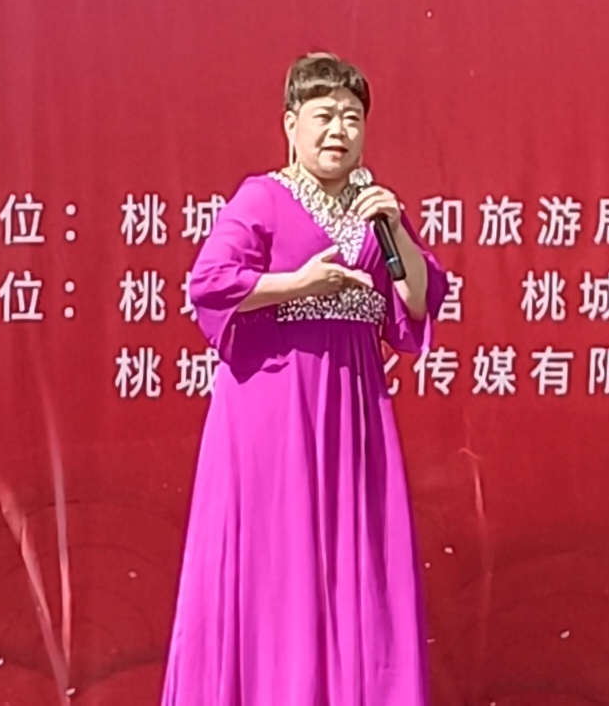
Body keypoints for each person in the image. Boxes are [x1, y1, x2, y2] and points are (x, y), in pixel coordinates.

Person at [162, 53, 446, 706]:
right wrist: (299, 284)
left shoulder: (376, 209)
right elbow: (209, 283)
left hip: (353, 407)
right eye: (324, 116)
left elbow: (415, 300)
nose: (338, 131)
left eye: (352, 118)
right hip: (271, 408)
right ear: (291, 125)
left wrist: (396, 227)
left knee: (357, 562)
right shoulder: (262, 197)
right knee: (274, 562)